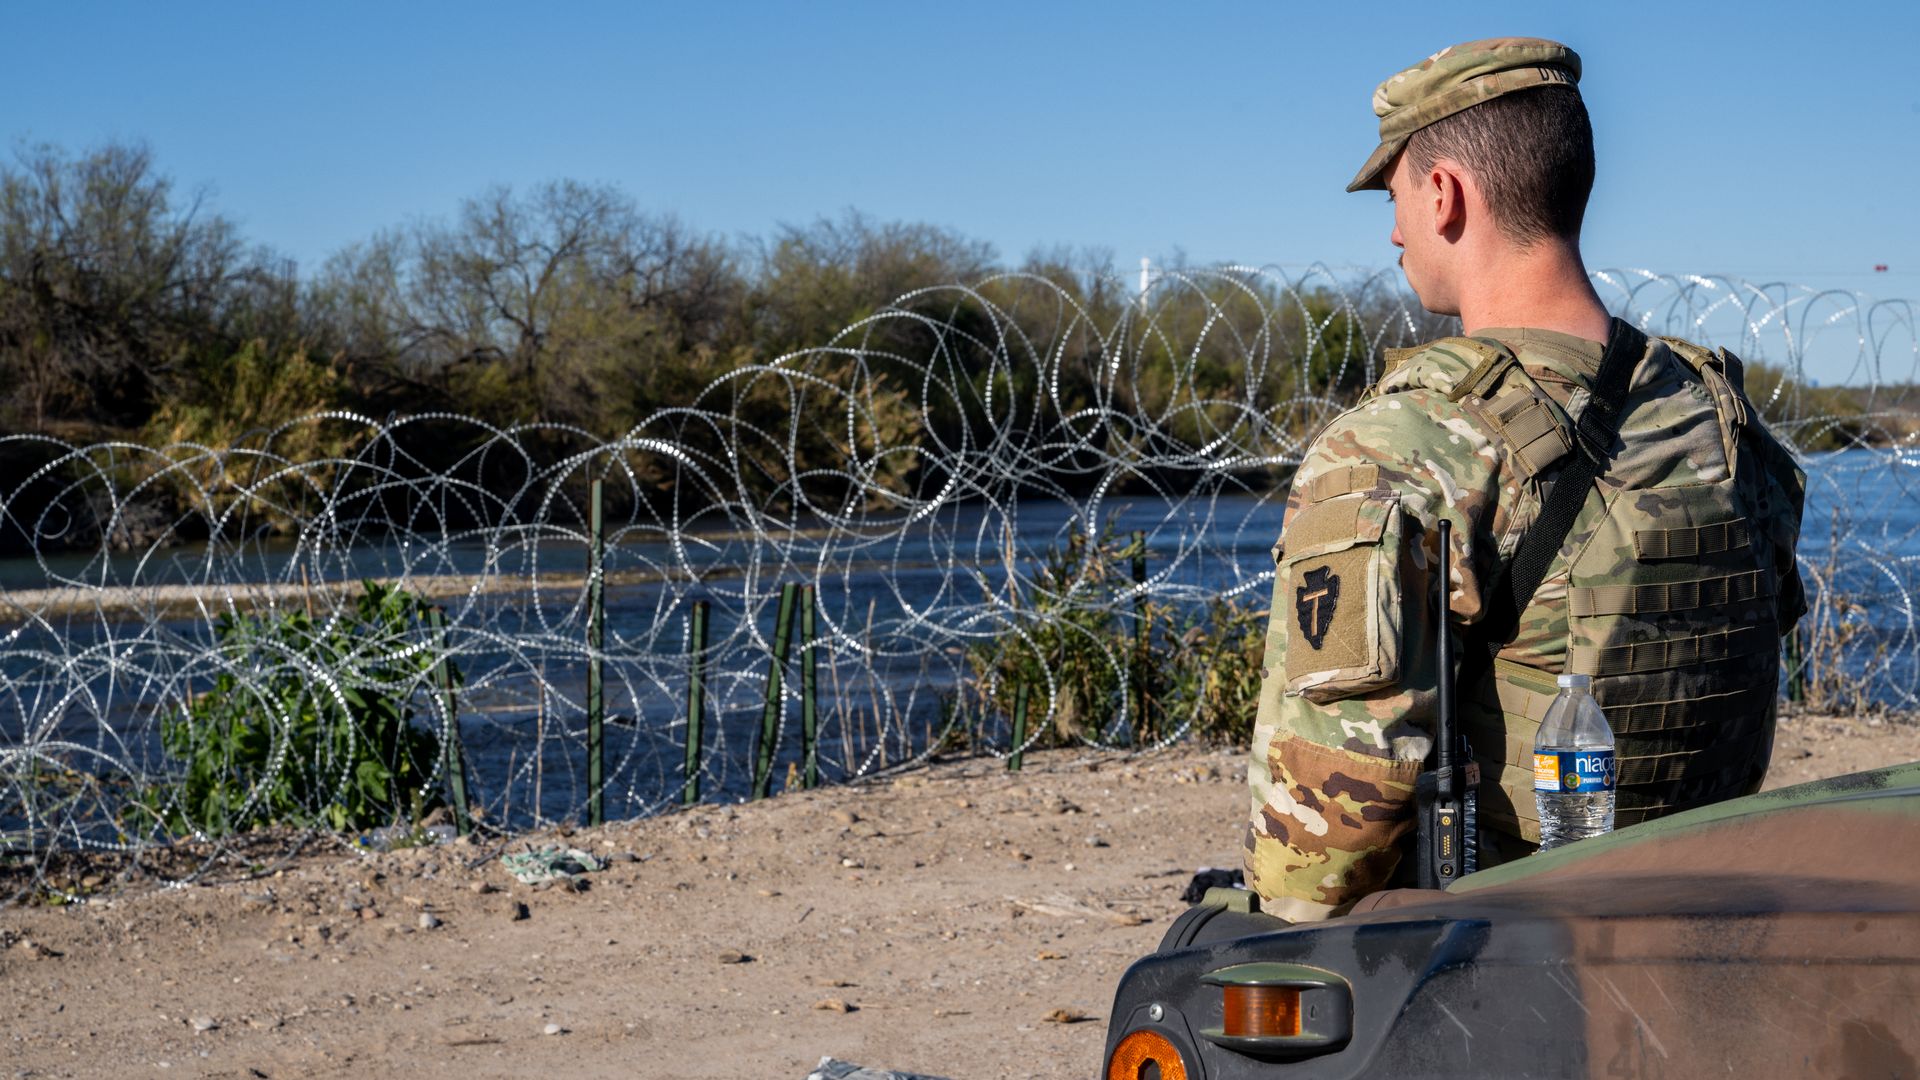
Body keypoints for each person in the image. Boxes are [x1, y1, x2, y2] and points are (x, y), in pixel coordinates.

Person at [1244, 37, 1807, 921]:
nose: (1394, 232)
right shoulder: (1717, 416)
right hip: (1712, 923)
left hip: (1514, 957)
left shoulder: (1404, 442)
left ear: (1445, 194)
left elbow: (1319, 855)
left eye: (1394, 200)